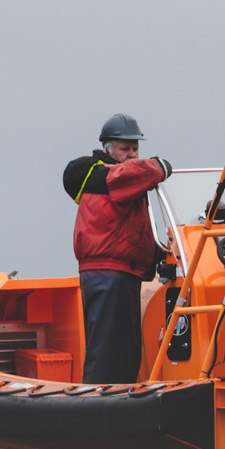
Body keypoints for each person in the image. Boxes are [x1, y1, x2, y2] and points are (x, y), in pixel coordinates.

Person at [63, 113, 173, 383]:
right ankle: (97, 409)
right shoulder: (113, 176)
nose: (133, 155)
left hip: (117, 272)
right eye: (125, 149)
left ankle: (111, 402)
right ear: (108, 150)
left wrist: (159, 253)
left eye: (135, 148)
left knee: (121, 350)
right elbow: (154, 170)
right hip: (110, 273)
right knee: (110, 353)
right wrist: (162, 165)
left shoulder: (111, 177)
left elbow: (129, 229)